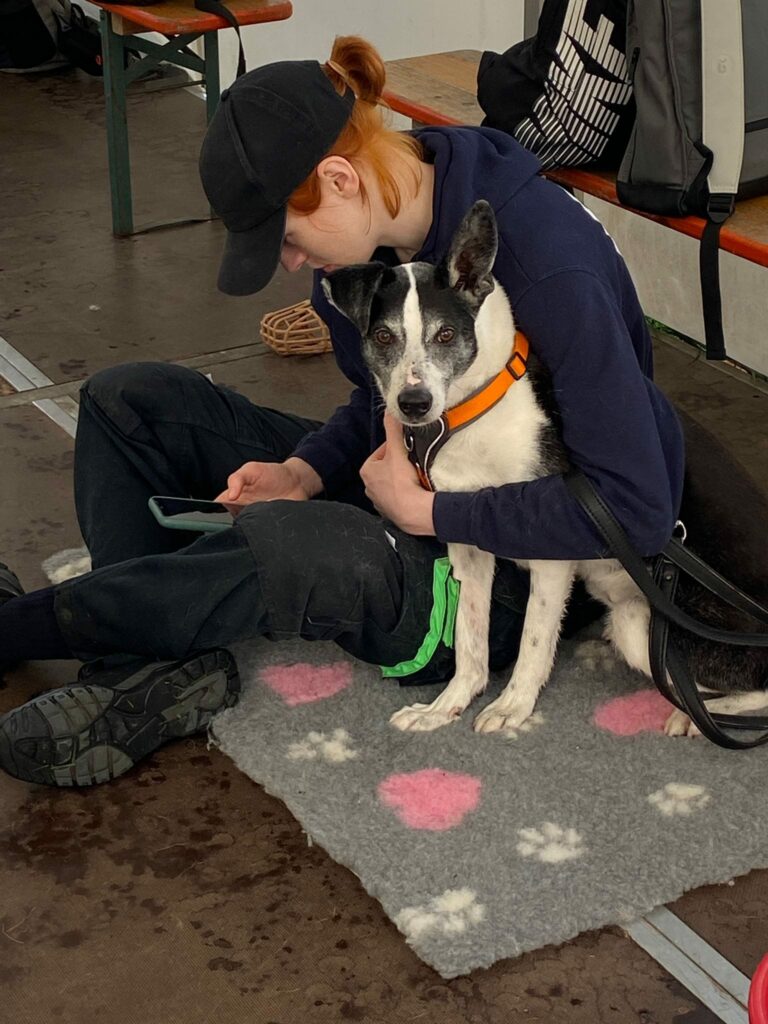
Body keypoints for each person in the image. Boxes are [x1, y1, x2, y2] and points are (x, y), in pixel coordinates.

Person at [0, 36, 684, 787]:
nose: (291, 263)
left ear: (338, 177)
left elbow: (637, 509)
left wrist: (432, 515)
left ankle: (28, 632)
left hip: (524, 557)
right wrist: (305, 471)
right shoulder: (370, 251)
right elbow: (374, 404)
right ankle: (140, 666)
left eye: (289, 238)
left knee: (290, 544)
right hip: (426, 476)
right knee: (127, 401)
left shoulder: (550, 269)